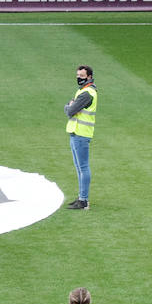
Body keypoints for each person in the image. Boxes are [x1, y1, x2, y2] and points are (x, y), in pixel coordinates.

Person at [64, 65, 97, 210]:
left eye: (82, 76)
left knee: (83, 167)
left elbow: (70, 110)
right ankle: (81, 197)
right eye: (78, 75)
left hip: (81, 134)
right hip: (76, 132)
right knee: (79, 167)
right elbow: (70, 108)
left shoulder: (86, 94)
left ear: (89, 77)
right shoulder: (83, 91)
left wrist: (69, 106)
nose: (79, 78)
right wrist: (70, 106)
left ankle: (83, 200)